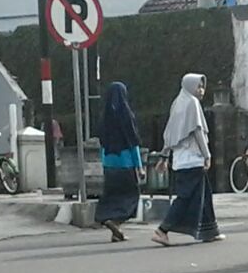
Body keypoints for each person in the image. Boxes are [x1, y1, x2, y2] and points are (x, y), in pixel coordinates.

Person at [153, 74, 222, 246]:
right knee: (185, 198)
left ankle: (209, 231)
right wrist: (207, 155)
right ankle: (162, 230)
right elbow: (198, 131)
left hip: (180, 161)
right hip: (193, 159)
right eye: (198, 86)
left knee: (203, 196)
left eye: (202, 86)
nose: (201, 90)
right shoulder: (192, 103)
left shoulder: (177, 103)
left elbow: (170, 134)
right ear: (190, 86)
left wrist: (164, 155)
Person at [94, 82, 142, 243]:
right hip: (126, 163)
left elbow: (102, 143)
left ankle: (115, 230)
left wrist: (104, 164)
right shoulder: (127, 115)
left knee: (112, 196)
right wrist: (139, 166)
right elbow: (133, 142)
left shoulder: (104, 118)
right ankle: (115, 222)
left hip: (109, 164)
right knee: (131, 197)